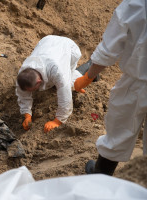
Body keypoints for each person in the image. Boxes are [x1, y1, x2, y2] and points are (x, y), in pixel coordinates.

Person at [74, 0, 147, 176]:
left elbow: (108, 50)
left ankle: (101, 175)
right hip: (137, 80)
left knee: (118, 130)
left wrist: (88, 76)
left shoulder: (134, 5)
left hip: (137, 81)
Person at [16, 35, 88, 133]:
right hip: (47, 40)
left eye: (32, 90)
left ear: (38, 82)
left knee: (69, 83)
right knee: (56, 83)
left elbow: (65, 97)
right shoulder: (24, 72)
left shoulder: (57, 71)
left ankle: (90, 67)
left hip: (69, 47)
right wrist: (27, 114)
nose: (31, 93)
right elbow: (22, 92)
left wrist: (57, 121)